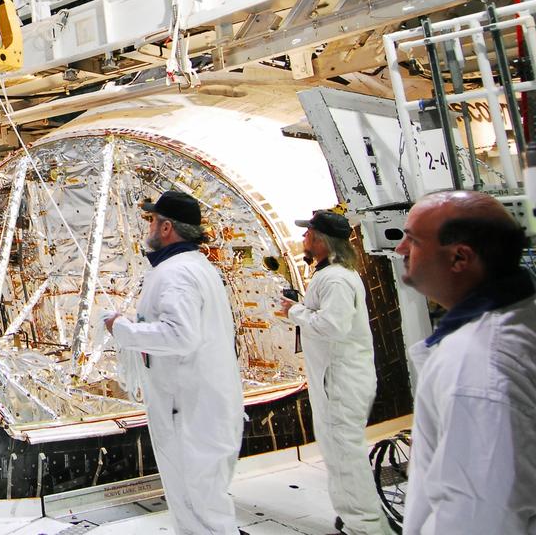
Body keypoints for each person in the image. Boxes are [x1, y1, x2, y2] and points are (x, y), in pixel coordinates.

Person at [103, 190, 245, 535]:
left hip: (189, 412)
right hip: (200, 406)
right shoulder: (196, 267)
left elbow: (180, 335)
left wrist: (121, 328)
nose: (148, 227)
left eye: (152, 221)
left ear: (166, 228)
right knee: (202, 503)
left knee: (199, 511)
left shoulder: (176, 274)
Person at [394, 190, 536, 533]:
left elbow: (478, 514)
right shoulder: (518, 319)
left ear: (459, 258)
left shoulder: (476, 365)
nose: (400, 249)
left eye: (412, 239)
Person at [280, 210, 392, 535]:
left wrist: (294, 311)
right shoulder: (332, 275)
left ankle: (366, 527)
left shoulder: (336, 279)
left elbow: (332, 326)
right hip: (336, 379)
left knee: (345, 456)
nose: (303, 238)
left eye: (308, 233)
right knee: (338, 452)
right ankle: (353, 518)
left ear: (320, 240)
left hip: (340, 382)